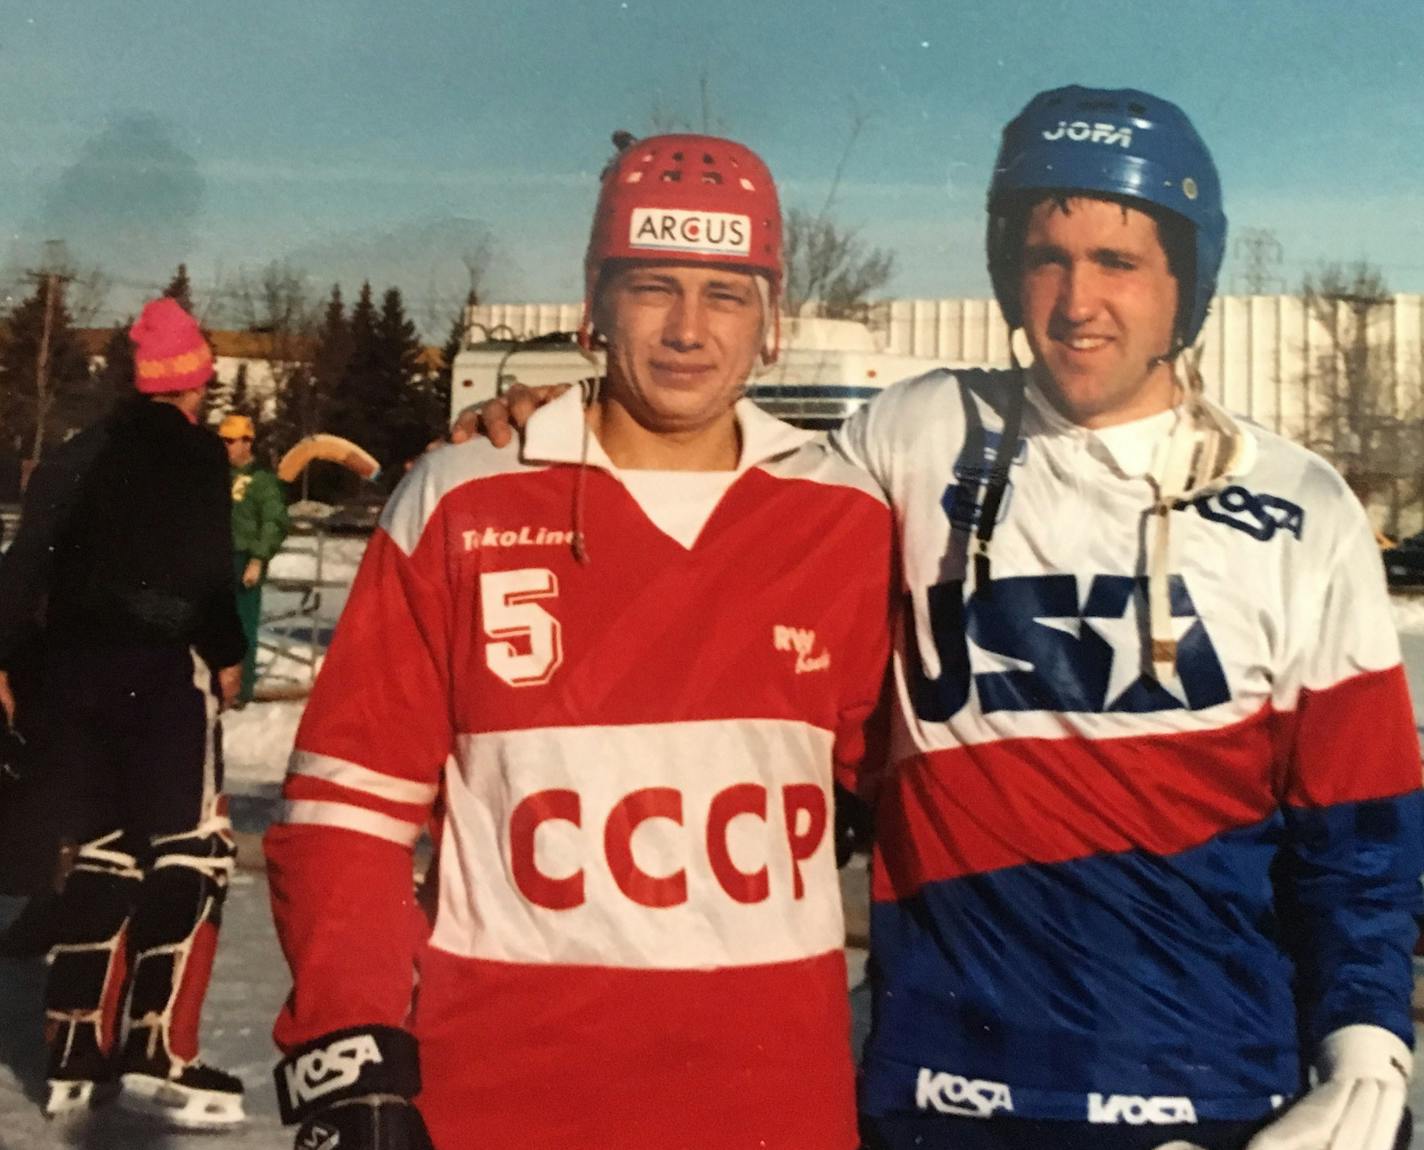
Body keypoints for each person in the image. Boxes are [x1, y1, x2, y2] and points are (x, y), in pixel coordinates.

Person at [474, 89, 1424, 1150]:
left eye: (1117, 262)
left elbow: (1360, 824)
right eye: (1045, 257)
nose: (1075, 302)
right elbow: (718, 491)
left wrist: (1366, 1038)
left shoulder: (1297, 505)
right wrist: (565, 424)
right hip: (939, 1087)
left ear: (1184, 284)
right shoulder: (915, 434)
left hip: (1203, 1087)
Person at [265, 133, 893, 1150]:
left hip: (768, 1096)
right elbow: (348, 805)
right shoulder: (462, 496)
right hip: (504, 1097)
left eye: (725, 294)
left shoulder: (841, 514)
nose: (688, 329)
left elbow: (911, 787)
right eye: (651, 287)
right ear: (595, 302)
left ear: (769, 319)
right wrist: (352, 1056)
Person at [0, 297, 248, 1124]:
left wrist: (6, 661)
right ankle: (154, 1048)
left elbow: (25, 562)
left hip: (70, 674)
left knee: (103, 847)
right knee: (193, 845)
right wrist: (228, 655)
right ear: (194, 383)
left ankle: (70, 1054)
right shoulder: (195, 457)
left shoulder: (75, 454)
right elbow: (209, 568)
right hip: (158, 669)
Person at [218, 412, 290, 706]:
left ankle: (241, 689)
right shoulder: (218, 475)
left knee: (242, 624)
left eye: (232, 441)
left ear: (248, 443)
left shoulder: (262, 482)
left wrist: (258, 559)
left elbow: (274, 522)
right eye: (223, 440)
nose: (226, 447)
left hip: (244, 557)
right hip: (217, 557)